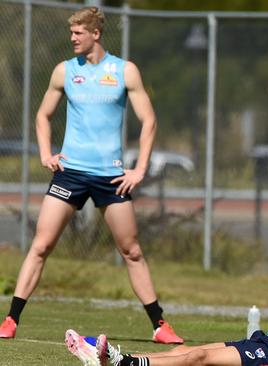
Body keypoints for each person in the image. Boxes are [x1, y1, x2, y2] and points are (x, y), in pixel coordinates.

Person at [0, 7, 182, 344]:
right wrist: (45, 153)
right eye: (71, 33)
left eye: (78, 33)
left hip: (111, 177)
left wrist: (139, 169)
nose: (72, 39)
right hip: (70, 174)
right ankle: (10, 320)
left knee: (132, 251)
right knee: (41, 246)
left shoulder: (125, 71)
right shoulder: (64, 72)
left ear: (95, 34)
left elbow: (149, 121)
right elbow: (43, 116)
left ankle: (160, 326)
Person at [65, 223, 268, 366]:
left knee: (197, 357)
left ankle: (121, 363)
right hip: (267, 344)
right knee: (181, 354)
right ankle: (119, 358)